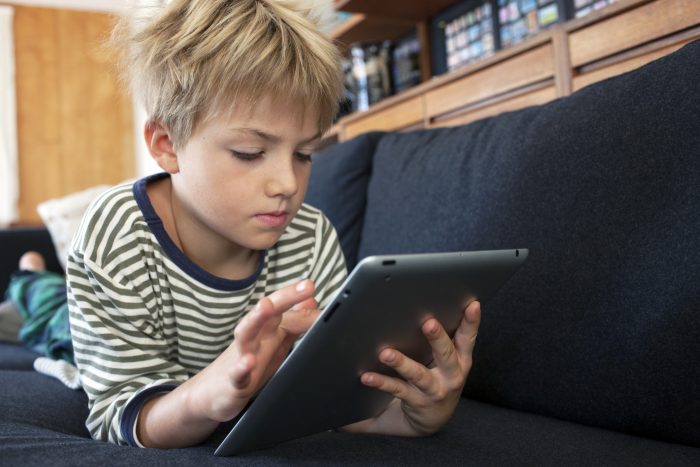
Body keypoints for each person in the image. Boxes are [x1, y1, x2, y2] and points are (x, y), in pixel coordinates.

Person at [60, 0, 482, 449]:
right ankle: (31, 275)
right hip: (95, 326)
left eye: (304, 155)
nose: (287, 184)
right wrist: (210, 396)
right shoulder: (115, 238)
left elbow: (327, 397)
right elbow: (117, 415)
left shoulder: (310, 236)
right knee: (47, 320)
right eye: (249, 153)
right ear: (167, 145)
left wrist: (419, 416)